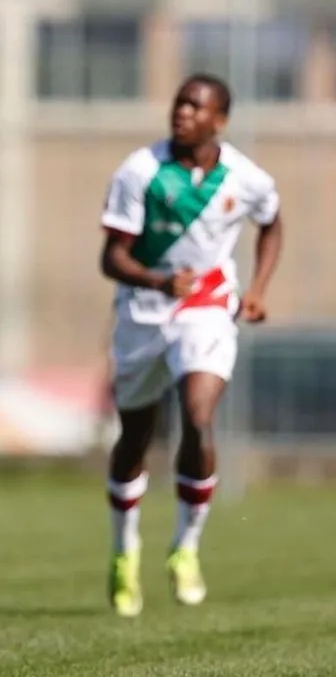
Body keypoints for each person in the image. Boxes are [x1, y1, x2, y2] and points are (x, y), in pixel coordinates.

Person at [99, 73, 282, 617]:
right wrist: (157, 280)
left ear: (219, 119)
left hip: (207, 309)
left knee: (199, 417)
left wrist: (258, 289)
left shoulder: (246, 178)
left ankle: (186, 546)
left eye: (196, 106)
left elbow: (272, 223)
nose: (183, 112)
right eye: (179, 103)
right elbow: (112, 257)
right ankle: (124, 549)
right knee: (135, 435)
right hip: (142, 311)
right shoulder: (140, 170)